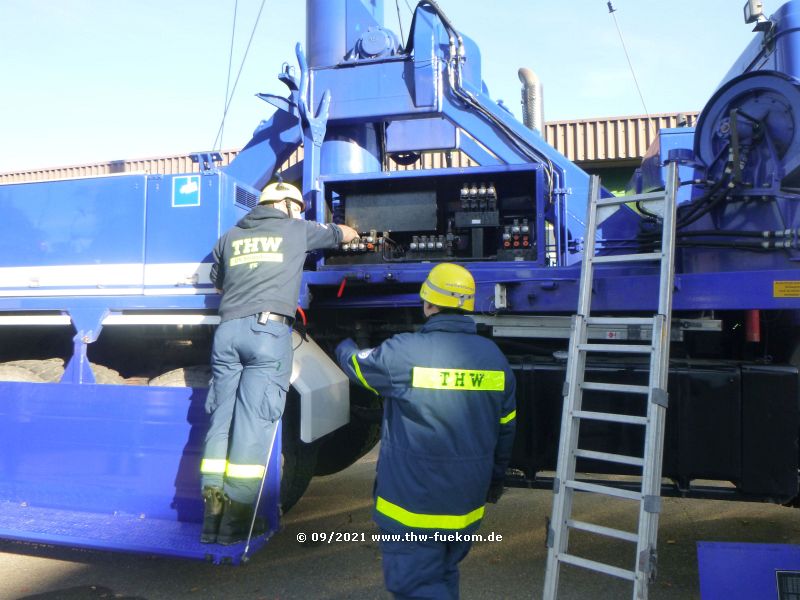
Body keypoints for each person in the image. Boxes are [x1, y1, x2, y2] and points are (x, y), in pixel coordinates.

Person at [335, 263, 517, 599]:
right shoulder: (495, 359)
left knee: (415, 586)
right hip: (465, 509)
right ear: (469, 304)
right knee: (444, 574)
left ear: (427, 304)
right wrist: (494, 482)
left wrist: (342, 342)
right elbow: (506, 431)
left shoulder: (404, 352)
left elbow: (357, 366)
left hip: (412, 510)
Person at [200, 181, 358, 545]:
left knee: (222, 418)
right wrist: (355, 231)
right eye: (298, 207)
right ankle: (239, 520)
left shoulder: (229, 237)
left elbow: (218, 284)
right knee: (254, 422)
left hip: (227, 333)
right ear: (286, 204)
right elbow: (341, 234)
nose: (300, 213)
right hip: (266, 334)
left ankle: (213, 517)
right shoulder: (296, 229)